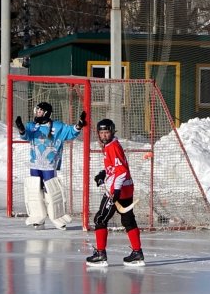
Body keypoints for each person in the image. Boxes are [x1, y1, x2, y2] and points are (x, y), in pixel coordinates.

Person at [15, 102, 86, 229]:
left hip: (49, 165)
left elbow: (70, 132)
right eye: (36, 110)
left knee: (52, 190)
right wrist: (21, 128)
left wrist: (79, 125)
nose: (37, 113)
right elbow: (26, 136)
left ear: (46, 113)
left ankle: (57, 218)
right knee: (34, 190)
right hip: (35, 164)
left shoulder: (57, 127)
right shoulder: (32, 126)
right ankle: (38, 218)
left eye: (40, 111)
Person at [86, 118, 144, 268]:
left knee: (100, 219)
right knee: (128, 221)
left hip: (117, 190)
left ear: (112, 132)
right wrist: (103, 174)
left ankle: (100, 254)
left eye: (107, 132)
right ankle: (137, 253)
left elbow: (121, 171)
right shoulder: (111, 146)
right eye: (102, 133)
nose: (104, 135)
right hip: (127, 188)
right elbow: (115, 167)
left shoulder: (112, 147)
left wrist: (116, 190)